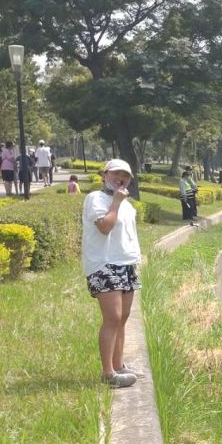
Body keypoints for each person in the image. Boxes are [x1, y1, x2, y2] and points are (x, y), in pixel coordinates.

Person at [82, 159, 142, 389]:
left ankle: (119, 365)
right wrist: (115, 202)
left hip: (126, 263)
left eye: (125, 176)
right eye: (116, 174)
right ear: (105, 175)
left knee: (123, 317)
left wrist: (135, 259)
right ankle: (108, 373)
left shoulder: (128, 205)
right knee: (113, 318)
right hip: (104, 263)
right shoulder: (96, 198)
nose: (121, 178)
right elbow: (104, 227)